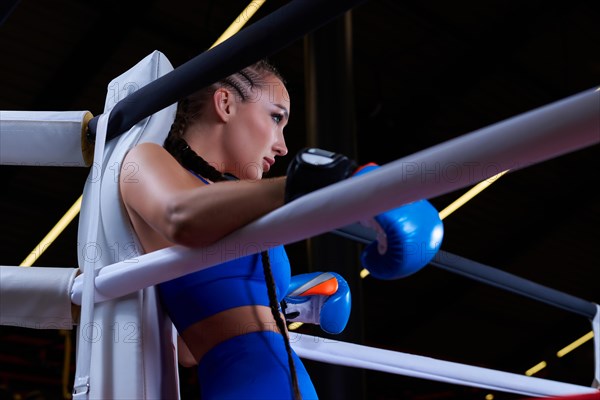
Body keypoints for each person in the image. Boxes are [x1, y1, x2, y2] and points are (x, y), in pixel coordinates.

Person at [119, 59, 318, 400]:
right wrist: (313, 182)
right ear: (225, 104)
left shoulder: (233, 205)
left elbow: (185, 351)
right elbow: (181, 215)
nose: (283, 146)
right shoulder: (145, 159)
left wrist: (289, 301)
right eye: (275, 117)